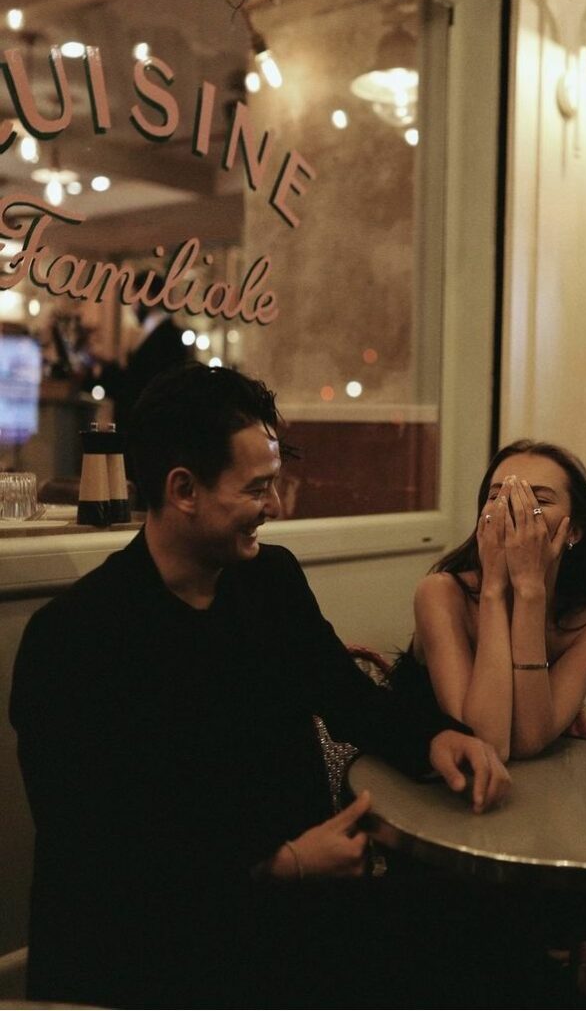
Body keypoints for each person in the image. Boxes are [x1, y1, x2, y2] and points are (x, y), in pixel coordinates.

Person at [9, 362, 509, 1009]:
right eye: (255, 489)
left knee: (489, 927)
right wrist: (286, 863)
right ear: (183, 488)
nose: (272, 508)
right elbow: (101, 856)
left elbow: (348, 697)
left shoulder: (268, 580)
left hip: (291, 903)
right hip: (166, 948)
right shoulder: (75, 639)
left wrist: (438, 738)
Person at [394, 439, 586, 760]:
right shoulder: (441, 593)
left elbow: (530, 740)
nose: (515, 511)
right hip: (429, 781)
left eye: (538, 501)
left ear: (573, 531)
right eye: (498, 497)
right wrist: (493, 589)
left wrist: (530, 592)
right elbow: (486, 743)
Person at [86, 268, 190, 439]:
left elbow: (142, 384)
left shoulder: (167, 337)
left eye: (134, 297)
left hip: (148, 431)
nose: (132, 305)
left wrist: (105, 371)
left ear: (149, 296)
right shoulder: (153, 332)